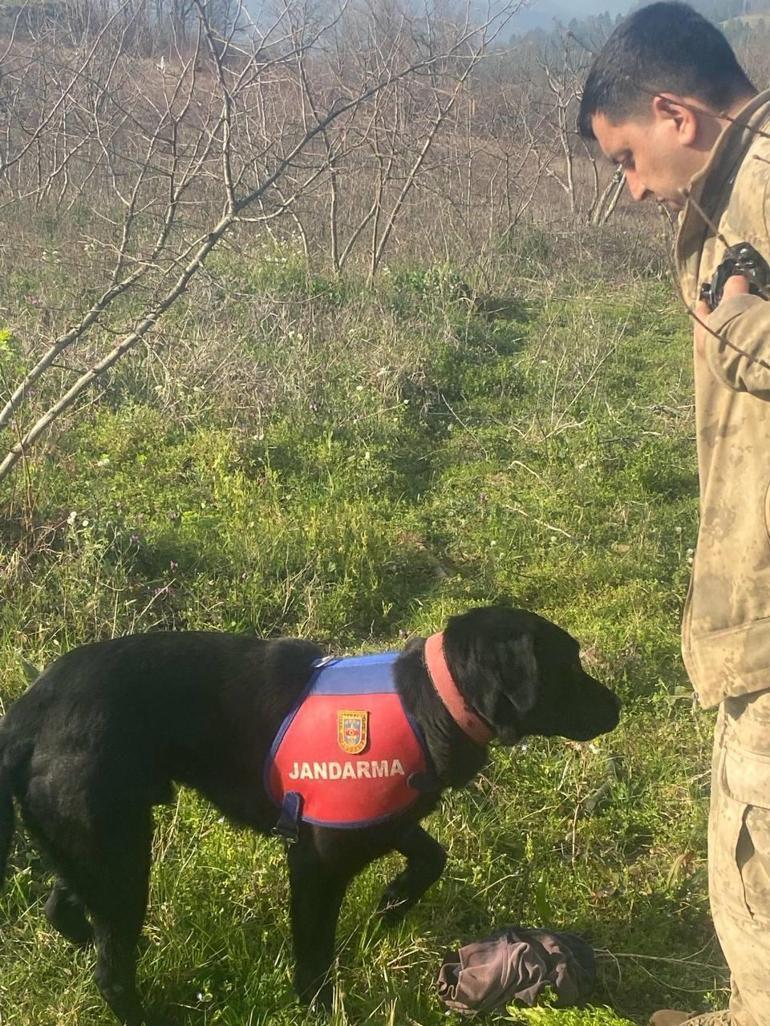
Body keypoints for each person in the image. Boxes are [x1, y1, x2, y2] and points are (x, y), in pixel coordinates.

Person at [578, 5, 770, 1026]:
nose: (630, 186)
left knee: (757, 848)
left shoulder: (762, 183)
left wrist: (734, 311)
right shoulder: (736, 189)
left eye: (623, 157)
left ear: (671, 112)